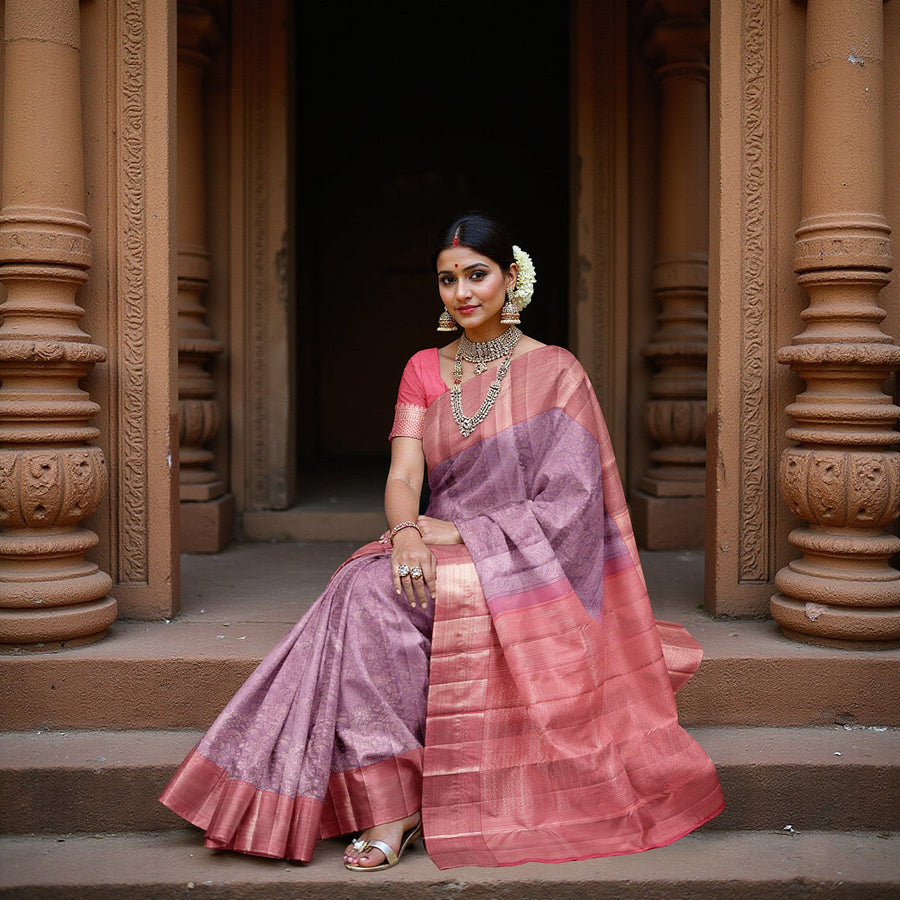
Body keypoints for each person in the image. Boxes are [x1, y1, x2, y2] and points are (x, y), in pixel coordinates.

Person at [160, 211, 724, 872]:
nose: (462, 292)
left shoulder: (556, 372)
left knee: (373, 595)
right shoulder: (424, 369)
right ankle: (390, 802)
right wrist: (404, 534)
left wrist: (461, 530)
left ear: (510, 278)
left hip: (525, 561)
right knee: (363, 585)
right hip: (433, 543)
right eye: (447, 278)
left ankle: (388, 805)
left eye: (477, 275)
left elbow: (573, 508)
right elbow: (404, 476)